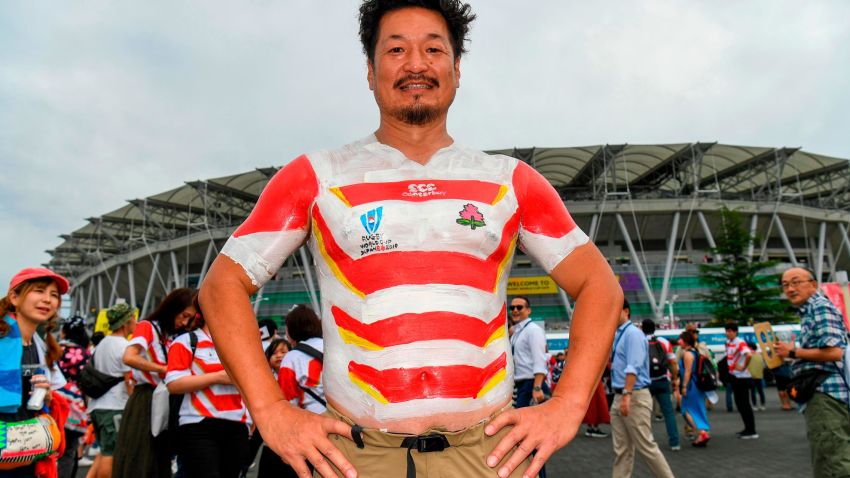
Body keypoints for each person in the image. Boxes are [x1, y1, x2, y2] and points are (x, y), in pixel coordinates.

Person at [198, 2, 623, 478]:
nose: (416, 63)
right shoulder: (315, 177)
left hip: (487, 456)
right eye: (396, 49)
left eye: (433, 49)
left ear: (456, 69)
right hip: (356, 456)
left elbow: (600, 286)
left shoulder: (511, 181)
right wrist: (271, 410)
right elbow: (221, 286)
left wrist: (567, 404)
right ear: (370, 69)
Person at [113, 288, 197, 478]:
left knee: (158, 456)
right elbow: (129, 357)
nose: (184, 322)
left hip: (163, 397)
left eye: (189, 319)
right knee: (142, 455)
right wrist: (164, 369)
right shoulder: (148, 327)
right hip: (146, 399)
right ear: (173, 308)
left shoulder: (170, 335)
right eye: (184, 316)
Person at [774, 267, 850, 476]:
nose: (790, 289)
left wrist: (793, 351)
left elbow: (834, 352)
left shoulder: (820, 308)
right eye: (786, 284)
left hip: (826, 394)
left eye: (796, 282)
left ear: (813, 284)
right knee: (829, 455)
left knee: (833, 458)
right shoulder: (811, 311)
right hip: (824, 392)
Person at [165, 304, 249, 478]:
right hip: (198, 423)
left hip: (238, 424)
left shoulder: (243, 345)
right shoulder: (186, 341)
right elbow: (174, 384)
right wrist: (217, 377)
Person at [0, 267, 69, 477]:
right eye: (39, 291)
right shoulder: (3, 340)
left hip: (25, 448)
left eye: (54, 295)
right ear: (14, 297)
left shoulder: (37, 345)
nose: (47, 300)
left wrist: (46, 397)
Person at [609, 298, 673, 478]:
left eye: (614, 308)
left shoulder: (633, 334)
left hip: (633, 395)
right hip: (621, 394)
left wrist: (627, 395)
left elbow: (633, 366)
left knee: (646, 446)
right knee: (622, 450)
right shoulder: (619, 334)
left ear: (626, 311)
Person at [85, 302, 137, 478]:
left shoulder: (102, 344)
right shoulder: (124, 346)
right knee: (111, 453)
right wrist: (132, 404)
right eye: (133, 320)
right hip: (114, 406)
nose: (135, 323)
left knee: (104, 450)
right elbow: (128, 380)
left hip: (97, 406)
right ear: (125, 323)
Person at [56, 315, 92, 478]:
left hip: (52, 402)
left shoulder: (54, 349)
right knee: (69, 449)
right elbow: (88, 383)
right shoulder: (85, 354)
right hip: (75, 407)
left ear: (64, 332)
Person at [253, 338, 291, 478]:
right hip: (272, 435)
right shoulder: (266, 378)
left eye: (283, 352)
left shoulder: (295, 376)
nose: (279, 355)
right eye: (274, 353)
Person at [641, 319, 680, 451]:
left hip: (645, 382)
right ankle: (674, 442)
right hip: (663, 380)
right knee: (668, 412)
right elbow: (673, 363)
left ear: (642, 328)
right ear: (654, 329)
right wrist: (674, 379)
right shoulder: (663, 342)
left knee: (645, 413)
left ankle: (647, 442)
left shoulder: (638, 341)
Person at [510, 296, 550, 411]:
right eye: (512, 308)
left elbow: (539, 360)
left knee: (532, 426)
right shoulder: (517, 332)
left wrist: (537, 388)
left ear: (528, 310)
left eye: (519, 307)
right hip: (521, 385)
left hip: (531, 384)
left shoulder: (533, 330)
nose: (515, 310)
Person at [725, 322, 757, 439]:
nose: (728, 333)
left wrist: (743, 367)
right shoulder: (729, 343)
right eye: (727, 331)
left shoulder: (739, 342)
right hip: (735, 377)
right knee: (740, 404)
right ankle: (747, 428)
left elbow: (749, 355)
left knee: (744, 405)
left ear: (735, 332)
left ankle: (751, 430)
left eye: (730, 331)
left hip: (742, 378)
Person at [678, 330, 710, 447]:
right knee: (699, 409)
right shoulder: (695, 352)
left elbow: (687, 371)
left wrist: (684, 386)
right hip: (698, 385)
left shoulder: (687, 354)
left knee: (686, 411)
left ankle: (701, 433)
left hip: (691, 385)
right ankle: (704, 432)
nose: (678, 341)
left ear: (686, 341)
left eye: (680, 339)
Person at [746, 342, 766, 411]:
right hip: (759, 376)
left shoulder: (748, 355)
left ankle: (754, 405)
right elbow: (763, 366)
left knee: (752, 391)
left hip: (751, 376)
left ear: (750, 348)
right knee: (761, 391)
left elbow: (746, 366)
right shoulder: (759, 355)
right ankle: (763, 405)